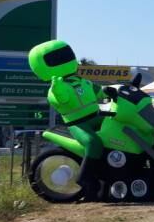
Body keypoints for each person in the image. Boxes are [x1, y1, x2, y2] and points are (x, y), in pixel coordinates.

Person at [28, 40, 107, 200]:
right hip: (79, 124)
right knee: (93, 143)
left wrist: (118, 91)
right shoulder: (56, 88)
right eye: (56, 58)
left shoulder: (83, 81)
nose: (63, 59)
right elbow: (62, 100)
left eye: (65, 55)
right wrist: (57, 88)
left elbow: (101, 92)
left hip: (97, 116)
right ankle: (85, 178)